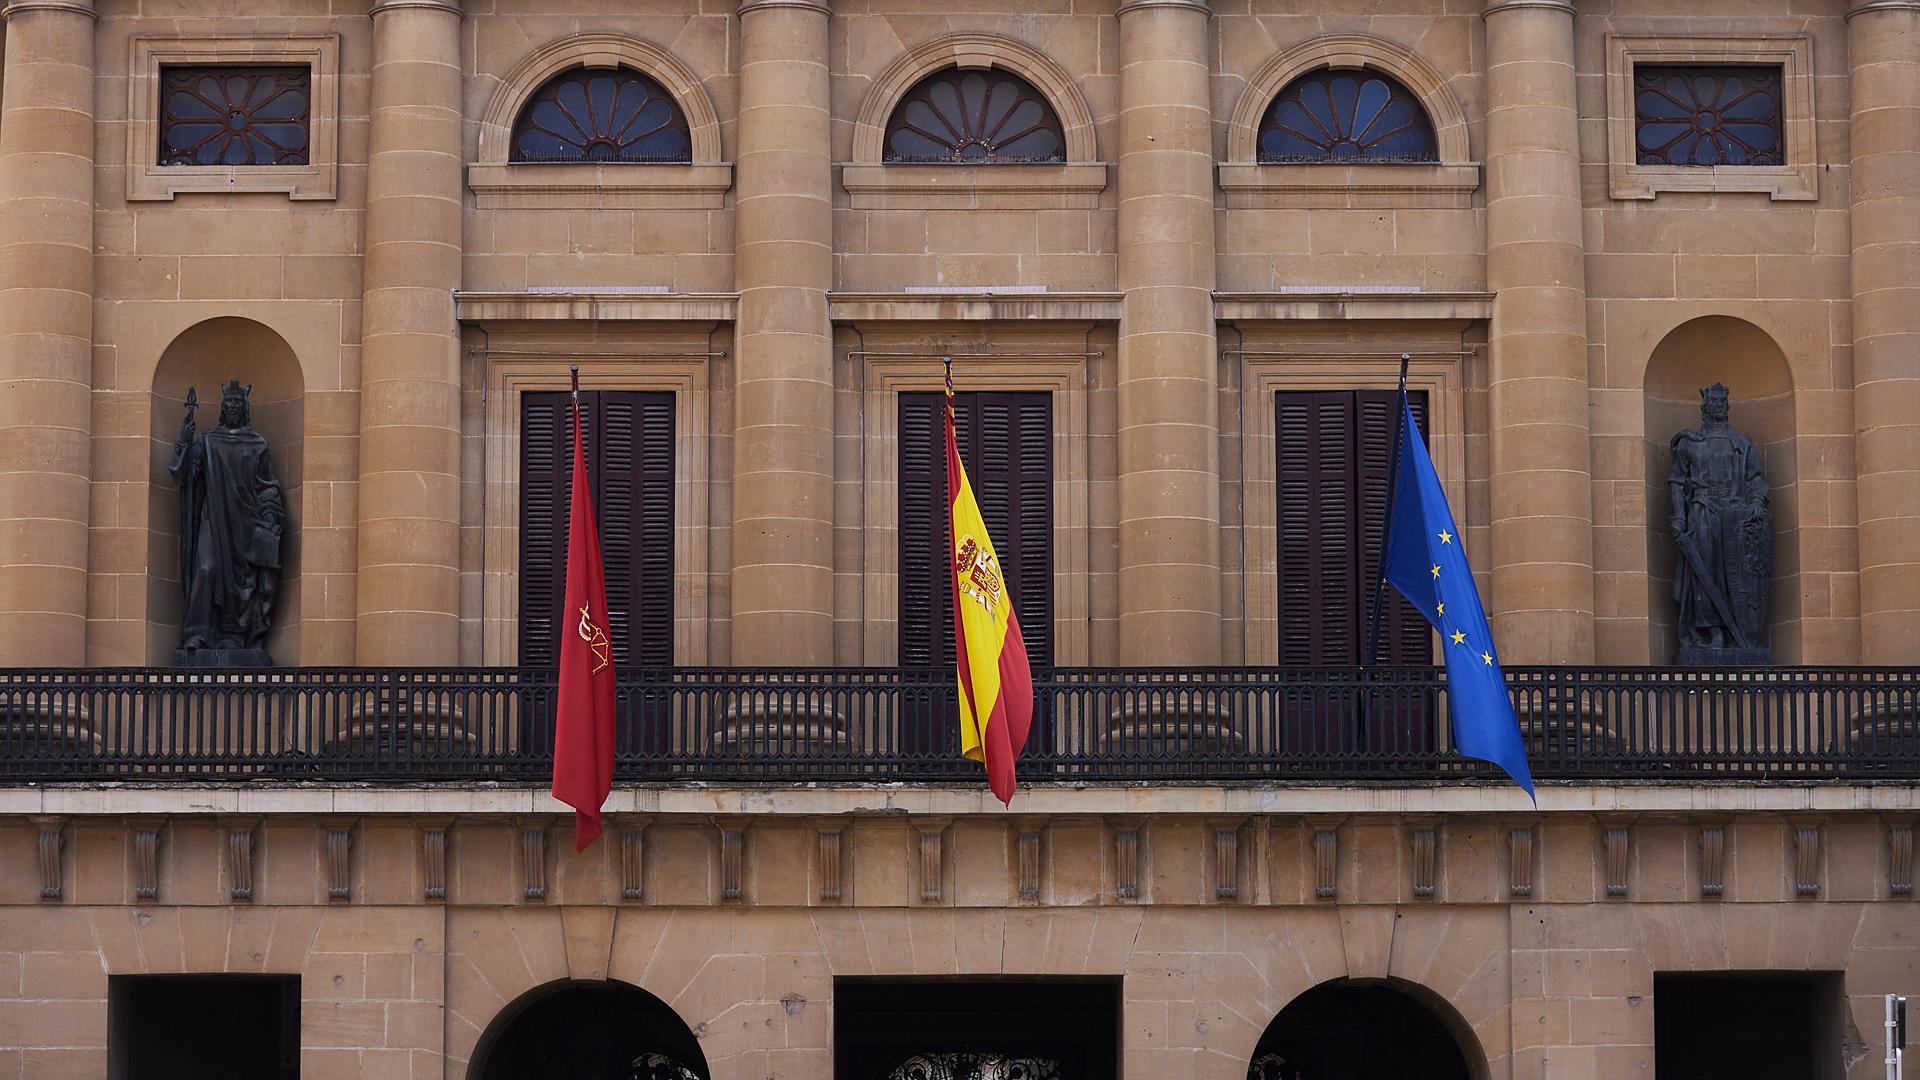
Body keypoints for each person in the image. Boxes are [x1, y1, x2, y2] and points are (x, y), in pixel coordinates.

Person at [170, 380, 286, 663]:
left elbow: (267, 486)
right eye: (229, 403)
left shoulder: (257, 444)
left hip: (245, 522)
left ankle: (234, 637)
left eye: (237, 402)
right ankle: (197, 634)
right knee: (207, 568)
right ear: (222, 408)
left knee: (244, 582)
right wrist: (184, 439)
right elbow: (184, 473)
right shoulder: (207, 440)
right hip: (214, 517)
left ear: (244, 408)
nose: (233, 406)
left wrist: (270, 514)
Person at [1667, 383, 1771, 661]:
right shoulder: (1690, 443)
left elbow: (1755, 479)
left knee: (1732, 576)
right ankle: (1711, 632)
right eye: (1714, 402)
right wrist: (1679, 516)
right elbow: (1677, 482)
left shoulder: (1742, 444)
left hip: (1735, 518)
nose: (1719, 406)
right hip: (1702, 512)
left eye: (1723, 402)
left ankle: (1735, 632)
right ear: (1705, 407)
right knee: (1705, 576)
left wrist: (1757, 501)